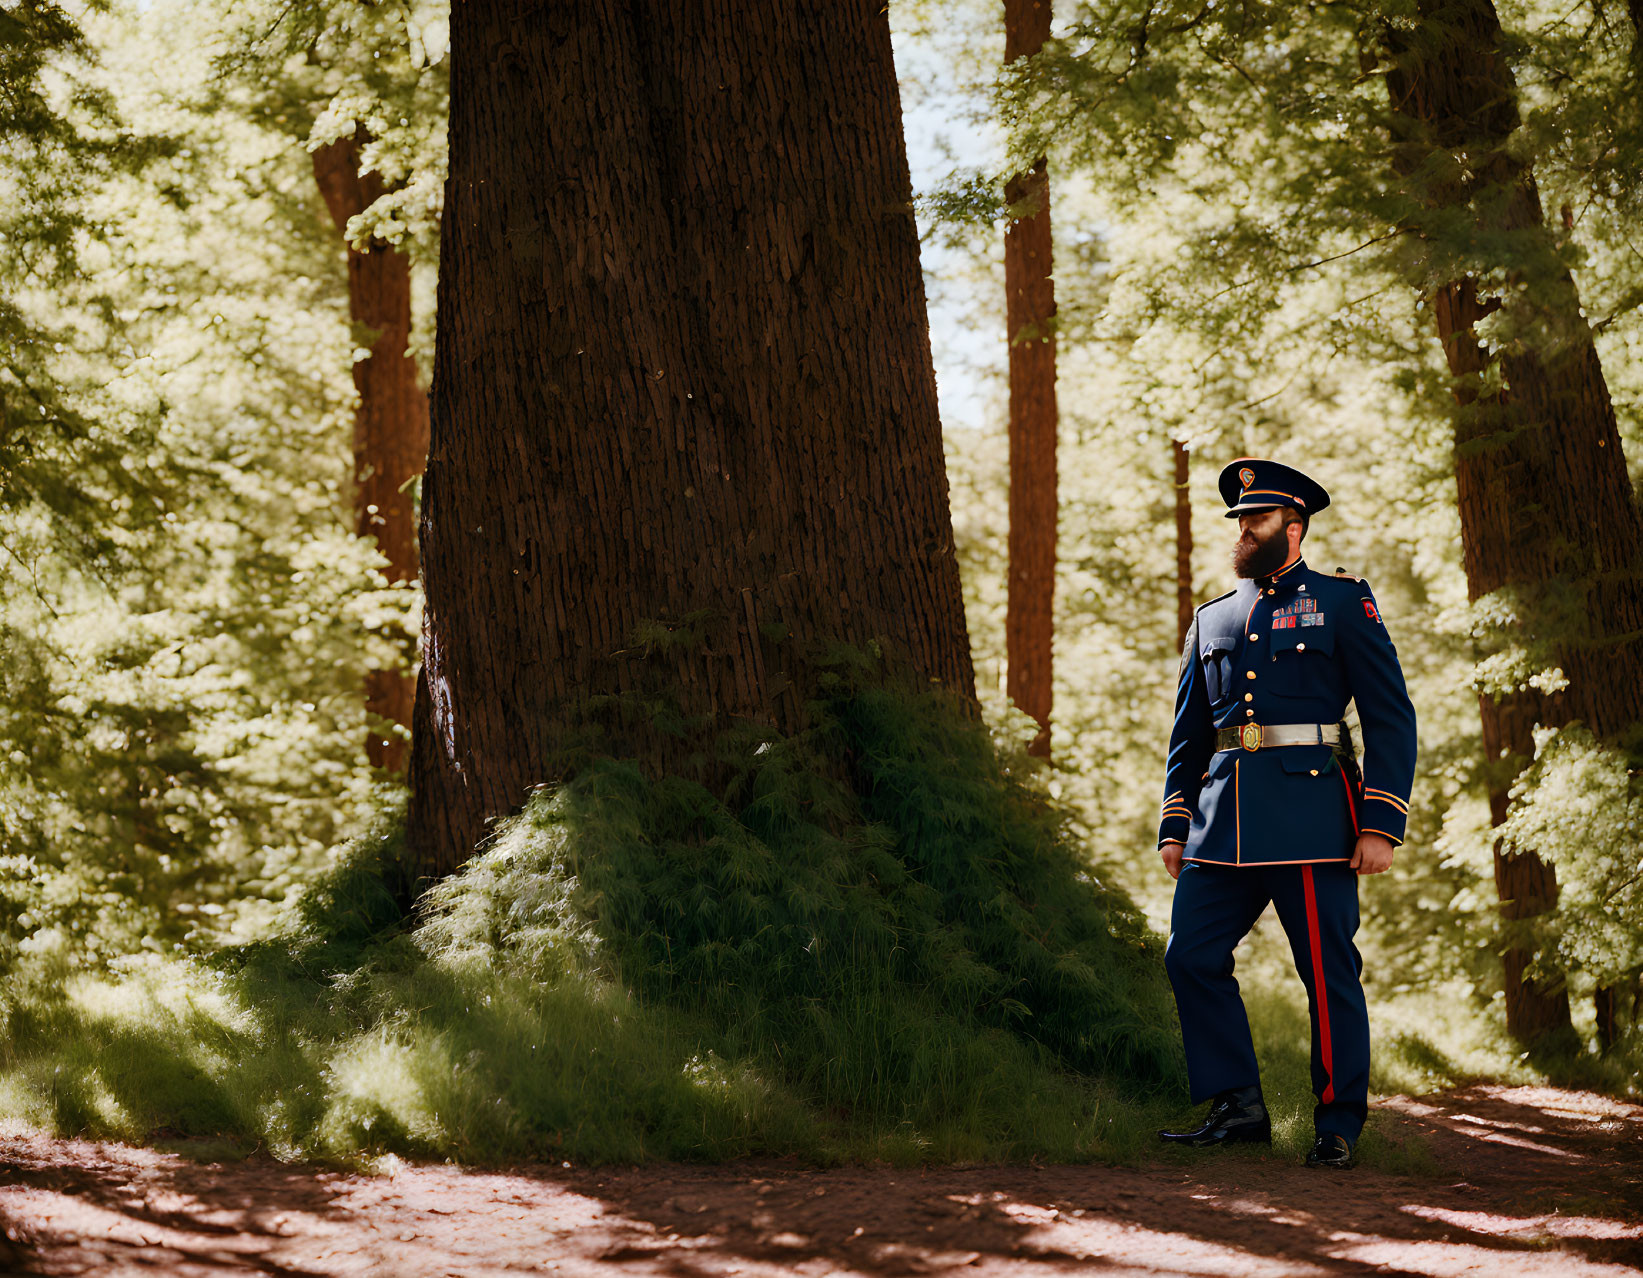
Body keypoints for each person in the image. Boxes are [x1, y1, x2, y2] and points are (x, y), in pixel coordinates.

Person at [1155, 458, 1416, 1169]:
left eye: (1258, 518)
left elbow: (1389, 717)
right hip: (1221, 822)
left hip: (1311, 818)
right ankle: (1236, 1107)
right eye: (1239, 519)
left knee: (1327, 974)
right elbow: (1188, 732)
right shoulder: (1212, 617)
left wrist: (1379, 821)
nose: (1244, 529)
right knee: (1191, 957)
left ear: (1293, 528)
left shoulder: (1340, 602)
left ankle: (1336, 1124)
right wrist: (1175, 823)